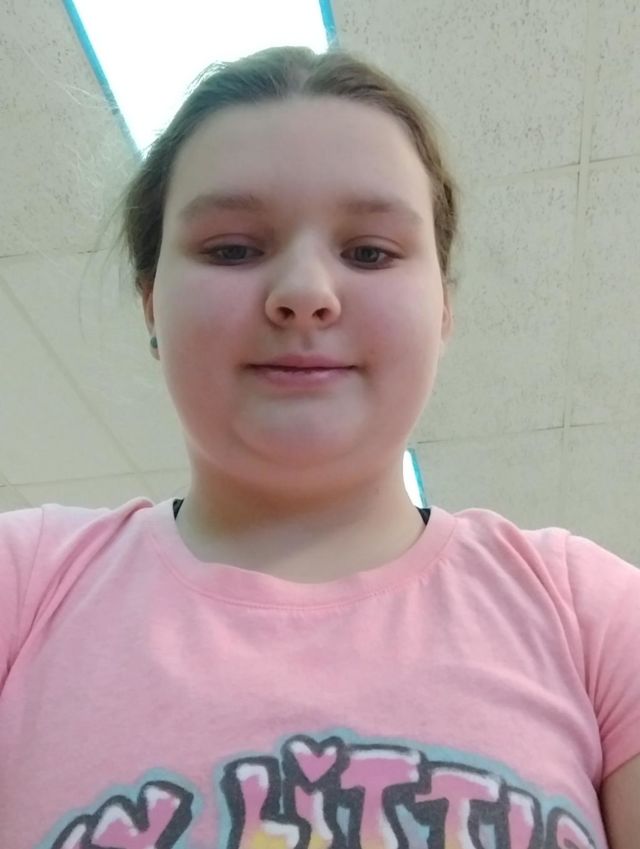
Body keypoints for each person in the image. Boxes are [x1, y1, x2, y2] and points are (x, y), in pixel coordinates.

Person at [0, 45, 638, 849]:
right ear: (151, 300)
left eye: (370, 252)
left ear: (444, 309)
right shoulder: (22, 586)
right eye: (233, 249)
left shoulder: (598, 616)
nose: (304, 292)